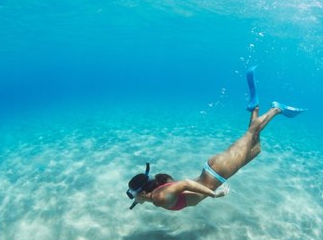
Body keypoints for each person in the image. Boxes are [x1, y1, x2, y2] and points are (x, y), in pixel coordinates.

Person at [126, 67, 306, 211]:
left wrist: (214, 195)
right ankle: (255, 105)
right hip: (216, 171)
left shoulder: (159, 198)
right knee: (255, 148)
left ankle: (276, 109)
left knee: (251, 134)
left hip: (218, 171)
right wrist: (140, 198)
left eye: (133, 195)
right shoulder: (156, 194)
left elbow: (185, 184)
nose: (133, 199)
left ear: (140, 193)